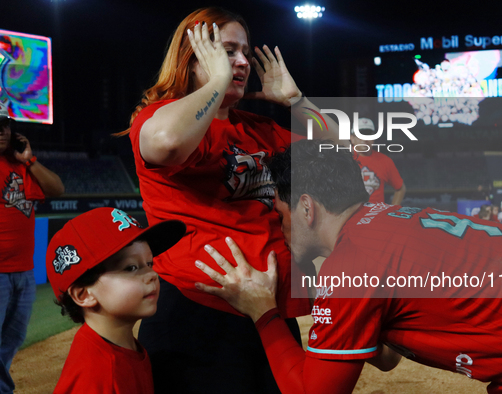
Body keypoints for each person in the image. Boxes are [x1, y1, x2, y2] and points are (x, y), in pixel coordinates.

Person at [196, 140, 502, 394]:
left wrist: (262, 311)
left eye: (280, 213)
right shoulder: (389, 218)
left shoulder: (353, 264)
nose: (279, 227)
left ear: (306, 207)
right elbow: (386, 357)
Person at [115, 7, 337, 393]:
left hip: (267, 310)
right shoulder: (156, 118)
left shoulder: (260, 130)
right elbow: (166, 144)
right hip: (195, 313)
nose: (240, 62)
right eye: (226, 50)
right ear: (192, 57)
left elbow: (344, 155)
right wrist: (217, 81)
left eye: (244, 54)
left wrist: (298, 100)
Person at [46, 207, 185, 394]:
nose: (152, 274)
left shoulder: (119, 345)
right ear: (83, 295)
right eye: (131, 267)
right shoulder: (97, 377)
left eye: (149, 263)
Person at [0, 104, 64, 394]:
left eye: (5, 125)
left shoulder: (20, 165)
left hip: (24, 273)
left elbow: (57, 190)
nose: (2, 131)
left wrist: (30, 160)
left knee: (12, 340)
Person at [350, 118, 406, 205]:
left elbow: (400, 188)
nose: (365, 139)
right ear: (352, 138)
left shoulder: (385, 161)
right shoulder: (343, 159)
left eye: (368, 134)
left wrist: (392, 211)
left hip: (376, 216)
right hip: (351, 216)